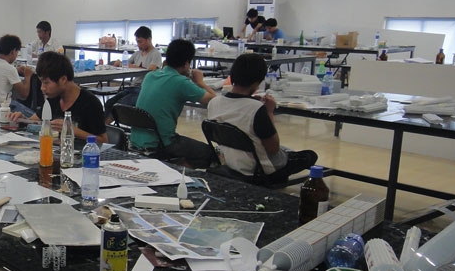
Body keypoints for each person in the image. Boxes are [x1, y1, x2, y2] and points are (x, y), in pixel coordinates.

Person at [207, 53, 318, 182]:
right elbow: (273, 148)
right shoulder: (256, 109)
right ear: (257, 82)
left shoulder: (214, 102)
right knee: (310, 155)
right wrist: (269, 112)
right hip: (259, 169)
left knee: (286, 150)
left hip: (230, 161)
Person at [132, 39, 216, 167]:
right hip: (162, 143)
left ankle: (175, 165)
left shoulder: (150, 76)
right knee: (210, 153)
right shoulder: (181, 82)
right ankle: (177, 168)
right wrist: (200, 82)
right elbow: (214, 100)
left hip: (136, 140)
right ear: (187, 64)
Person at [7, 51, 108, 143]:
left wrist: (72, 130)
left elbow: (103, 141)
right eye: (41, 82)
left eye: (46, 83)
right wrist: (22, 119)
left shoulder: (90, 103)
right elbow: (35, 120)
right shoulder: (53, 98)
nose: (42, 88)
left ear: (63, 79)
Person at [106, 26, 162, 123]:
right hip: (132, 87)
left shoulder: (155, 54)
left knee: (119, 105)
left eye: (140, 42)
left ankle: (104, 127)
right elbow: (125, 64)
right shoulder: (137, 53)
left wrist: (130, 65)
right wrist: (119, 62)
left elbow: (151, 70)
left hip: (144, 89)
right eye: (137, 42)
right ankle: (105, 126)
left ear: (149, 40)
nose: (138, 45)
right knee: (109, 102)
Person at [0, 35, 35, 116]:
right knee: (34, 116)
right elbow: (24, 94)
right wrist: (28, 75)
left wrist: (15, 69)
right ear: (13, 52)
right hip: (3, 109)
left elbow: (2, 70)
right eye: (17, 52)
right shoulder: (10, 69)